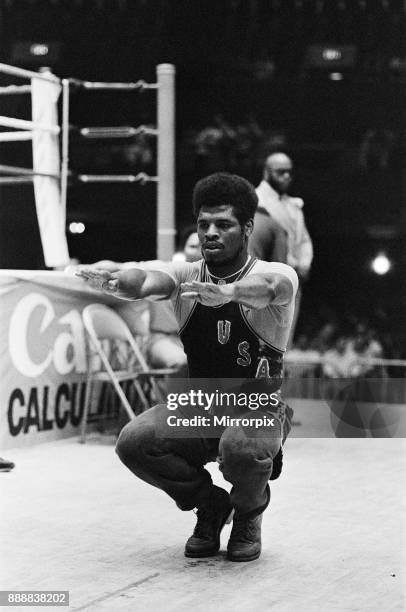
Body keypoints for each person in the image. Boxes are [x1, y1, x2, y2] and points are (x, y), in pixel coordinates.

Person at [76, 172, 298, 562]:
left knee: (241, 448)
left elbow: (269, 291)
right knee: (134, 442)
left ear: (247, 228)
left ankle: (249, 513)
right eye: (203, 224)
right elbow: (149, 279)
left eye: (223, 224)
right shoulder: (186, 277)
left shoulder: (276, 273)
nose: (211, 233)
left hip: (258, 409)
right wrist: (123, 284)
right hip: (203, 406)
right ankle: (211, 505)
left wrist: (229, 293)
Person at [256, 152, 313, 345]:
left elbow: (304, 240)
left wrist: (304, 263)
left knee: (284, 342)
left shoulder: (294, 205)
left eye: (289, 172)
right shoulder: (256, 201)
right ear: (266, 172)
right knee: (263, 339)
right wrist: (290, 263)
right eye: (281, 172)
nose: (287, 176)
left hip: (293, 279)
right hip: (268, 278)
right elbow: (262, 242)